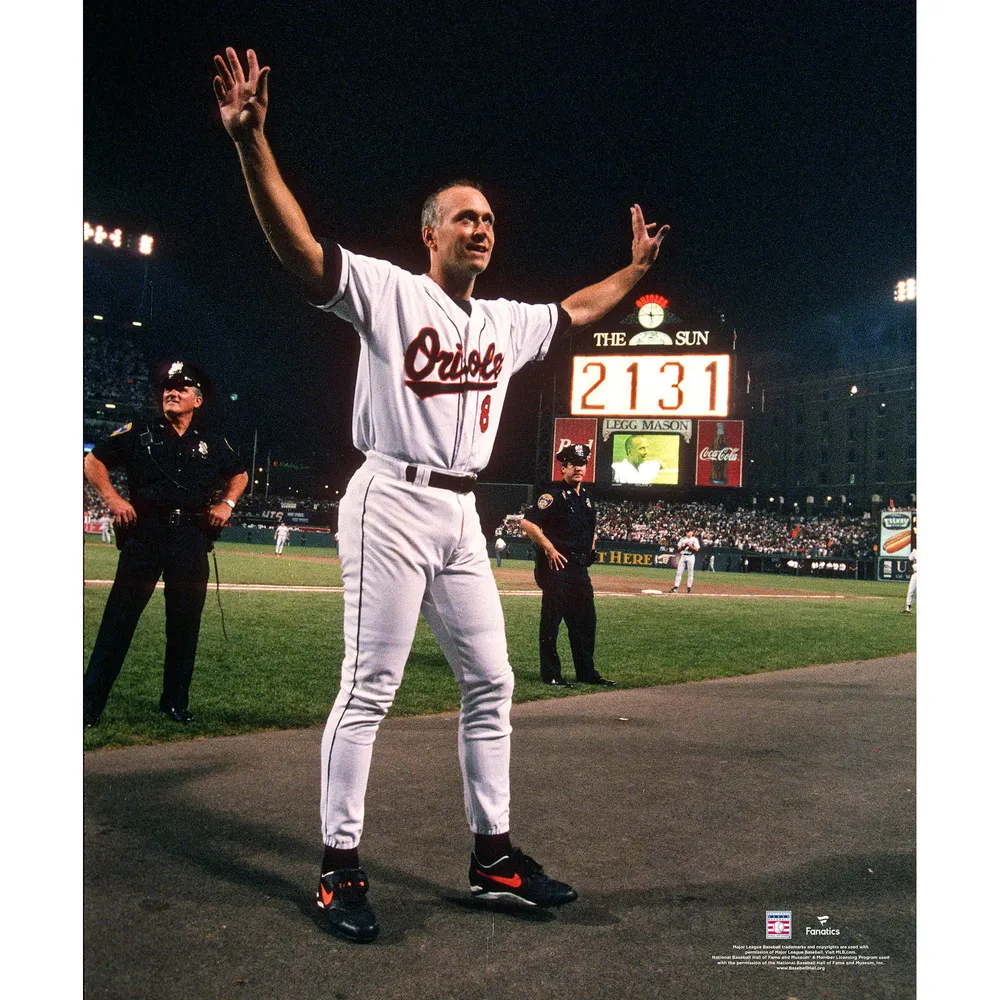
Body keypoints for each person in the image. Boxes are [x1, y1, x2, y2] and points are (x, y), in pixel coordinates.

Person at [213, 45, 668, 943]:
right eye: (464, 218)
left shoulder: (503, 322)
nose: (482, 227)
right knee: (371, 685)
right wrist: (250, 144)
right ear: (430, 234)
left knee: (492, 680)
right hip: (389, 496)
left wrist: (635, 276)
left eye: (489, 218)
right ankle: (338, 870)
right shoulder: (386, 291)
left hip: (459, 511)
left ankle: (493, 855)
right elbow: (302, 251)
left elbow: (576, 310)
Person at [83, 361, 249, 727]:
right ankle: (88, 705)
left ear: (198, 400)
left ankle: (174, 702)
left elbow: (239, 475)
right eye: (167, 388)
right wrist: (113, 500)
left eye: (181, 388)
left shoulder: (211, 440)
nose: (171, 393)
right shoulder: (140, 430)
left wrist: (227, 503)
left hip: (190, 538)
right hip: (145, 534)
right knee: (118, 620)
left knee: (184, 624)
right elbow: (92, 462)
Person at [520, 444, 615, 689]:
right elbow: (528, 523)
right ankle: (551, 674)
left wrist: (591, 547)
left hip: (579, 569)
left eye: (582, 464)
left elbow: (591, 528)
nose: (579, 469)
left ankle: (586, 672)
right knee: (551, 622)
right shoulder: (552, 495)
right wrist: (550, 549)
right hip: (557, 568)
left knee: (585, 622)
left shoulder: (586, 498)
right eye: (573, 464)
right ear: (564, 468)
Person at [904, 547, 916, 613]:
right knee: (911, 591)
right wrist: (911, 569)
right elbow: (909, 559)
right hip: (915, 574)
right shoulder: (915, 552)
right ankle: (908, 609)